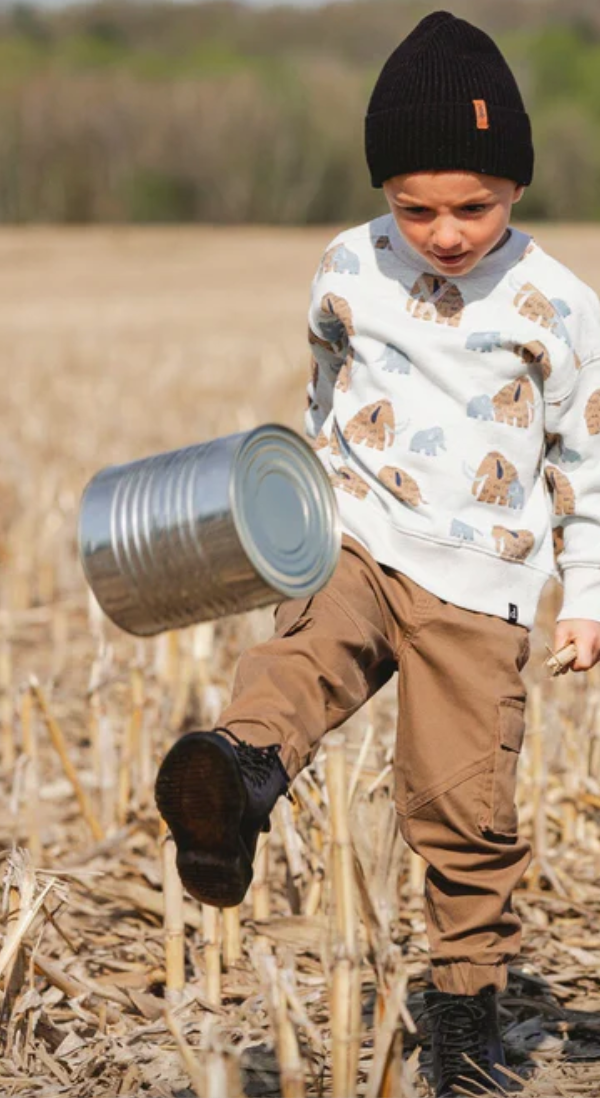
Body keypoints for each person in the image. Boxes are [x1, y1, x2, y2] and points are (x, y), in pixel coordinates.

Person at [155, 12, 600, 1096]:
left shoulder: (560, 307)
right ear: (384, 190)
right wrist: (297, 512)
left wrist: (586, 596)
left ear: (517, 190)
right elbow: (326, 397)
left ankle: (464, 1011)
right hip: (360, 538)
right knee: (289, 668)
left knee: (462, 807)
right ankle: (239, 783)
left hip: (479, 586)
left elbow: (589, 465)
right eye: (416, 209)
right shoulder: (347, 264)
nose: (444, 233)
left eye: (474, 209)